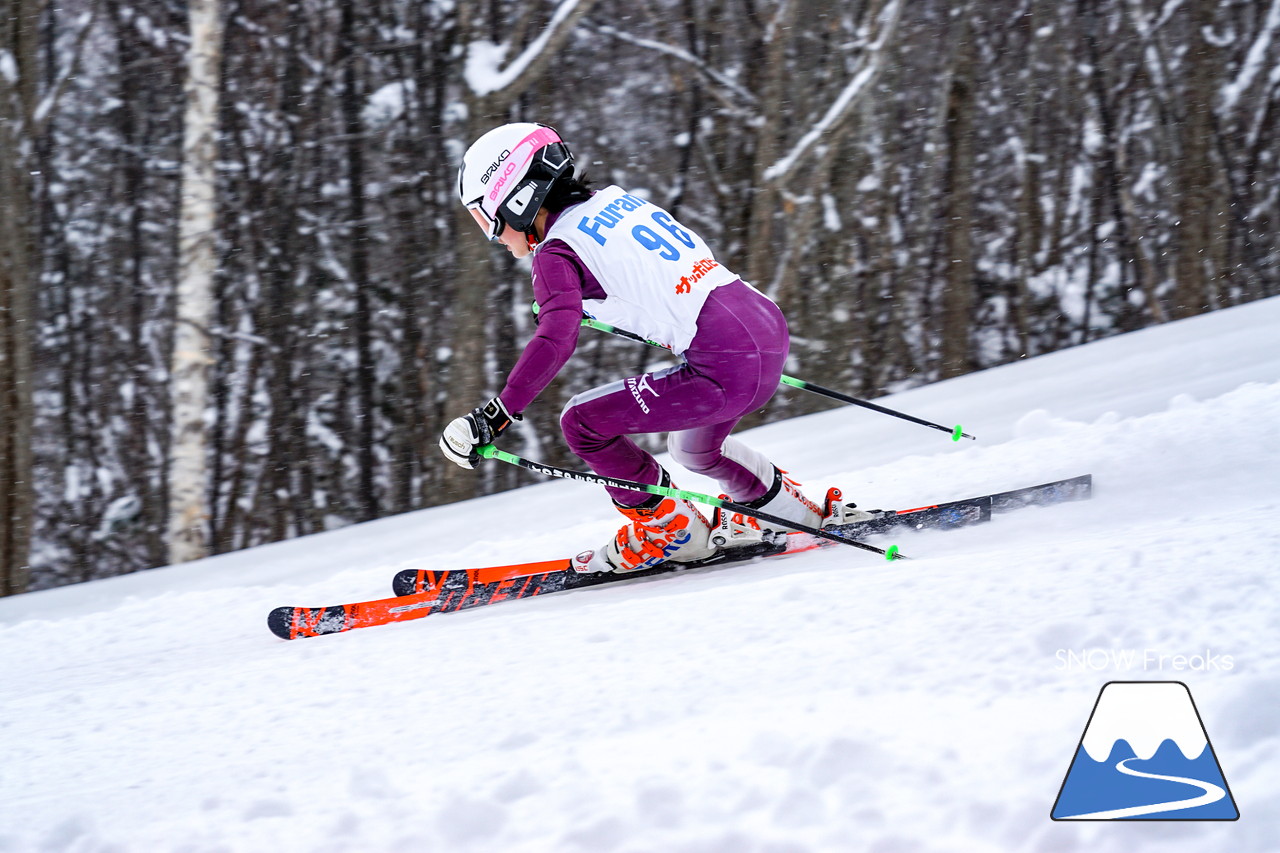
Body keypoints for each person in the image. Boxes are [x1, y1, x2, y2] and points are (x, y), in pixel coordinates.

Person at [441, 122, 858, 573]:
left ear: (517, 198)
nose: (494, 235)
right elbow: (651, 277)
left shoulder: (554, 253)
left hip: (725, 363)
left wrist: (497, 413)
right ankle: (794, 514)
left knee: (581, 423)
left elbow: (555, 338)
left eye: (486, 218)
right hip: (763, 327)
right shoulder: (615, 202)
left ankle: (671, 532)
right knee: (695, 452)